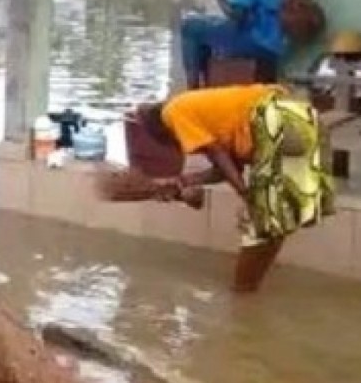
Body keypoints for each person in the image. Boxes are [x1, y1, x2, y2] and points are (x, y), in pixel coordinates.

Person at [129, 83, 334, 293]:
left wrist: (246, 194)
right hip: (301, 117)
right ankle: (251, 284)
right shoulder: (203, 112)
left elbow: (218, 154)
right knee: (275, 223)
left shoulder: (172, 114)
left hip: (276, 121)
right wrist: (184, 181)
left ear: (161, 132)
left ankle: (242, 298)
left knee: (260, 222)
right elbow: (224, 169)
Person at [179, 0, 287, 89]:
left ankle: (191, 90)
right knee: (206, 28)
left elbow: (237, 16)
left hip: (261, 41)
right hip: (279, 40)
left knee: (189, 26)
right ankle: (206, 87)